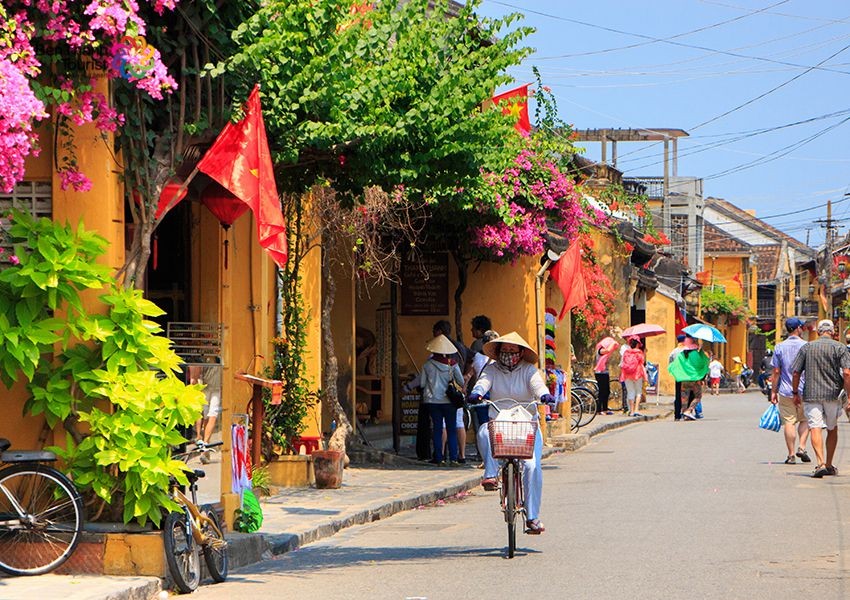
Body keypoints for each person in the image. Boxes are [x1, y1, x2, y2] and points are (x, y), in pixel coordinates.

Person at [469, 331, 555, 535]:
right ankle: (490, 474)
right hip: (500, 423)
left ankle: (532, 517)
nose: (508, 354)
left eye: (512, 351)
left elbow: (538, 386)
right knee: (483, 431)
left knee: (532, 466)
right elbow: (483, 383)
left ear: (520, 352)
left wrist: (544, 395)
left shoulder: (528, 370)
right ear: (498, 352)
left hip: (526, 424)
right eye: (504, 351)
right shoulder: (491, 370)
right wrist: (477, 393)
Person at [791, 319, 850, 478]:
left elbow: (795, 372)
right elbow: (846, 373)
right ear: (833, 332)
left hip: (812, 394)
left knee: (815, 426)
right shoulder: (840, 348)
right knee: (832, 428)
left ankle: (820, 463)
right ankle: (829, 464)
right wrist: (849, 396)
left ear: (818, 332)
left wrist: (795, 392)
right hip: (833, 395)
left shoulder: (807, 347)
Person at [770, 317, 810, 465]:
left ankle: (791, 454)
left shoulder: (779, 347)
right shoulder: (806, 346)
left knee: (789, 422)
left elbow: (776, 371)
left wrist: (773, 391)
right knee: (805, 419)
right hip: (804, 390)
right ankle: (802, 447)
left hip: (786, 390)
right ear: (798, 328)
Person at [420, 334, 464, 466]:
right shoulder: (452, 364)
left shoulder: (427, 365)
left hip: (433, 402)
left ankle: (439, 458)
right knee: (451, 429)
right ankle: (454, 458)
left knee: (437, 429)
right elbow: (461, 381)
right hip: (449, 402)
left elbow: (422, 384)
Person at [668, 334, 709, 421]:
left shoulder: (681, 355)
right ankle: (689, 411)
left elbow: (673, 365)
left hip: (683, 379)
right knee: (698, 396)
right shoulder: (695, 354)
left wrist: (677, 375)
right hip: (694, 379)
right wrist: (701, 352)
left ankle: (684, 413)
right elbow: (702, 363)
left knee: (684, 397)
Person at [620, 336, 647, 417]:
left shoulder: (626, 352)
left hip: (627, 374)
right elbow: (642, 361)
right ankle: (636, 410)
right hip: (637, 374)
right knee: (638, 392)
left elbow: (623, 362)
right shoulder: (639, 352)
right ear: (638, 344)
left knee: (630, 392)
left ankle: (631, 411)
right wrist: (644, 353)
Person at [594, 338, 619, 416]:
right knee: (602, 392)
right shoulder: (600, 350)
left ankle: (605, 409)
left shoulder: (605, 351)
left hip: (605, 373)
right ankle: (599, 410)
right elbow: (608, 350)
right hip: (600, 373)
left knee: (607, 391)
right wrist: (613, 343)